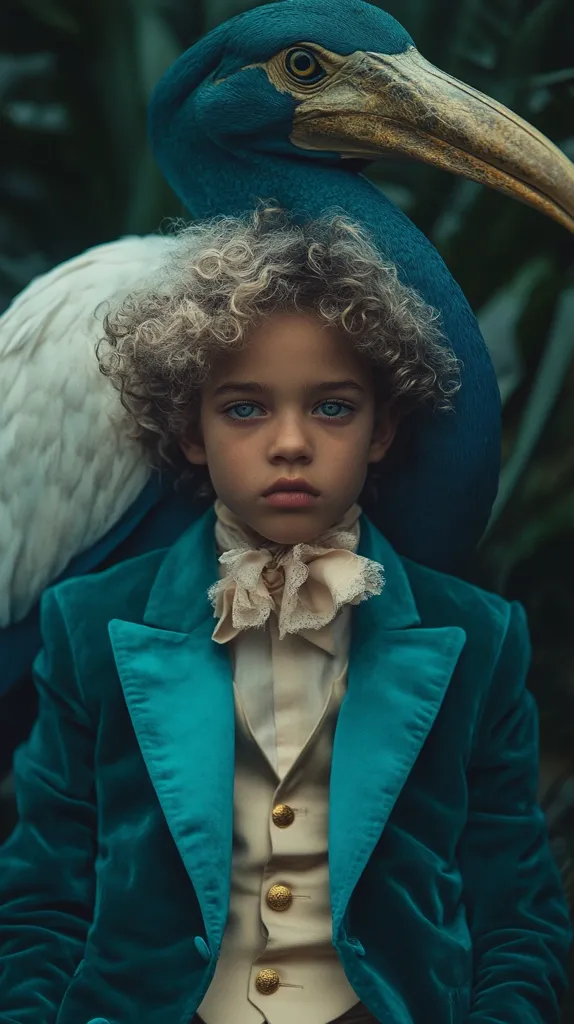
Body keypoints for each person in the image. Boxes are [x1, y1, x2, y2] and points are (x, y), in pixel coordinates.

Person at [0, 204, 571, 1024]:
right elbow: (41, 901)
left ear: (384, 429)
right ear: (190, 429)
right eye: (245, 409)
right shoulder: (89, 628)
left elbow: (516, 912)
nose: (291, 443)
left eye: (334, 407)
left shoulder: (479, 639)